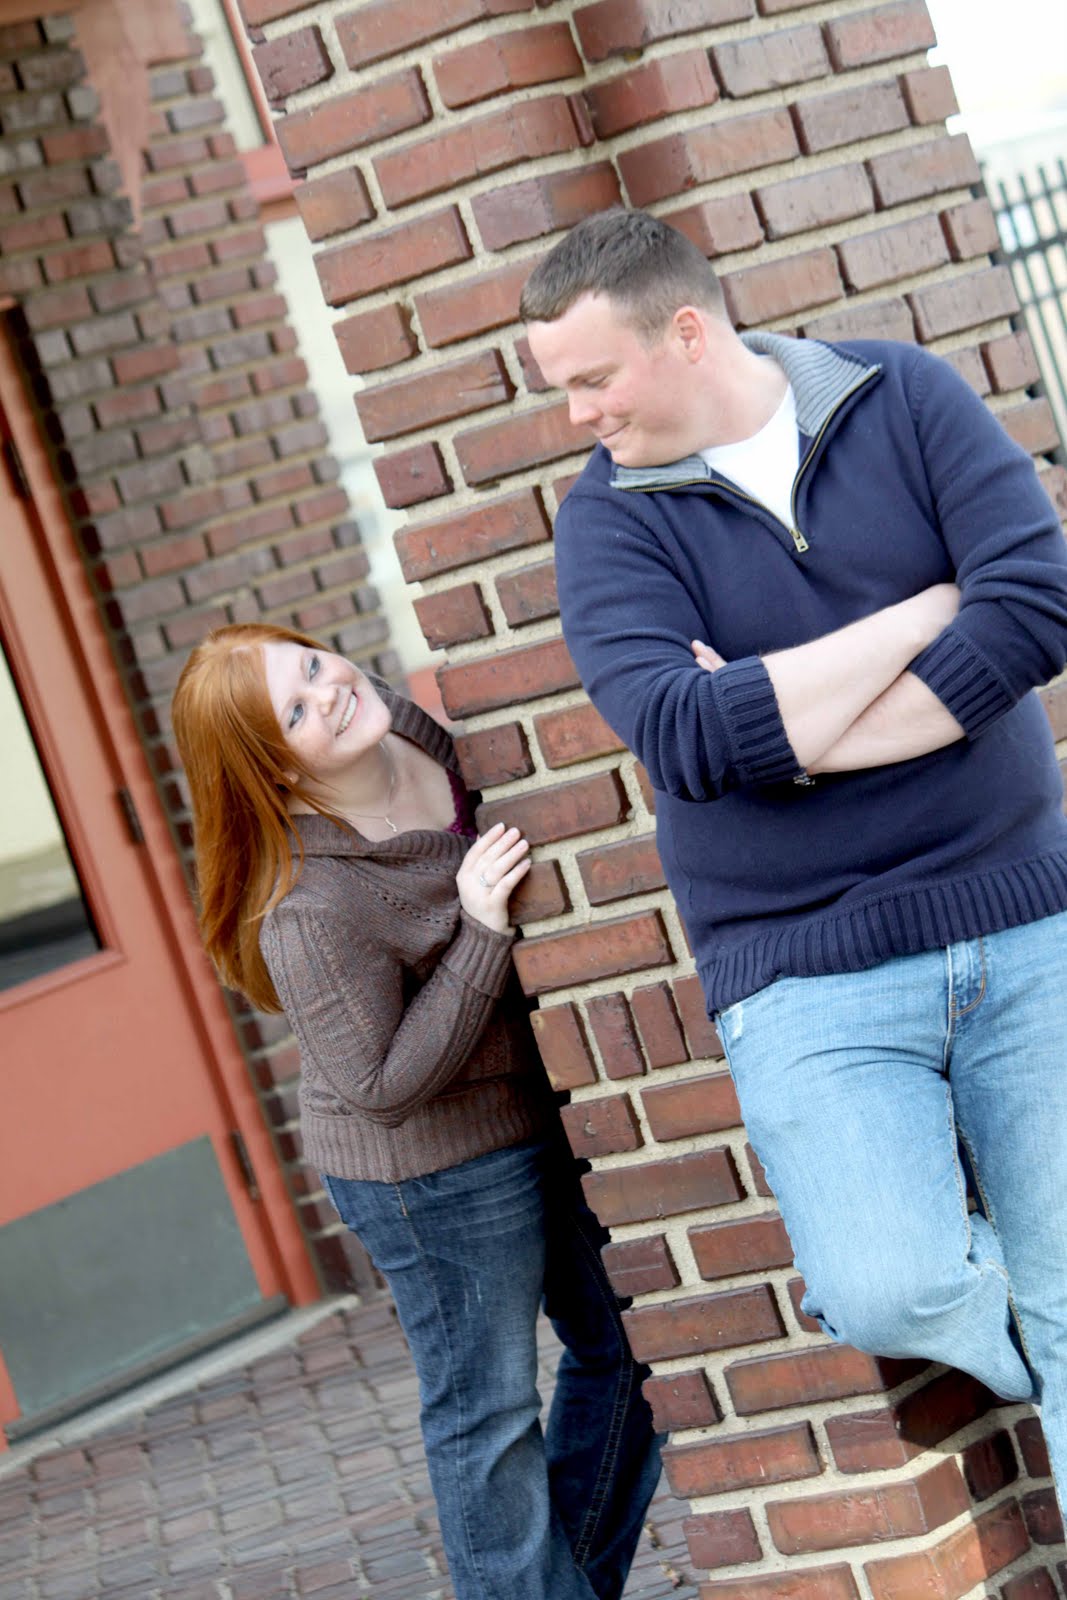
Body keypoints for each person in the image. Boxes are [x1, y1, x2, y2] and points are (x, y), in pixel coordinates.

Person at [521, 206, 1067, 1506]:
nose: (577, 416)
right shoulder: (606, 525)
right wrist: (920, 619)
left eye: (591, 379)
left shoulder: (901, 397)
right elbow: (683, 735)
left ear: (685, 331)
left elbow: (1036, 604)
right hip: (803, 976)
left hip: (1025, 921)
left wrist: (799, 730)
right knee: (885, 1285)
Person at [170, 621, 661, 1600]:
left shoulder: (403, 726)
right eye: (295, 712)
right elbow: (383, 1087)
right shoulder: (309, 906)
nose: (329, 693)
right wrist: (479, 928)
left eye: (312, 665)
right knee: (488, 1414)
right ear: (274, 768)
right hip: (426, 1178)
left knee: (629, 1347)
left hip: (530, 1112)